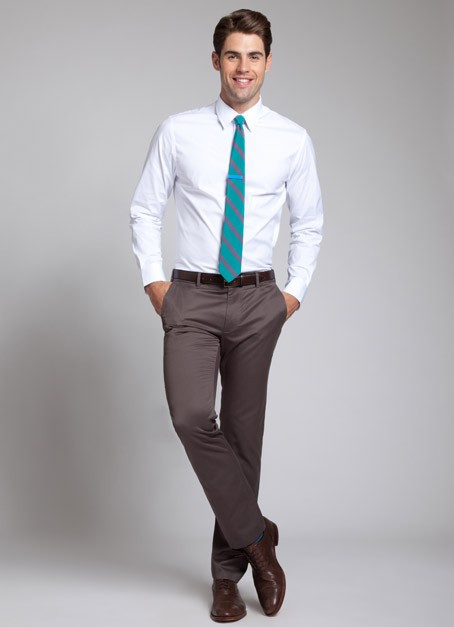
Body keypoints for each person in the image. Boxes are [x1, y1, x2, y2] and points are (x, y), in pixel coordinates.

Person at [129, 8, 323, 622]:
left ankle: (226, 577)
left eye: (254, 56)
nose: (243, 67)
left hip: (259, 299)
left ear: (268, 62)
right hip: (191, 296)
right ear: (216, 60)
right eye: (233, 55)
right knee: (191, 417)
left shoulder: (292, 139)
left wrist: (292, 295)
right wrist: (156, 284)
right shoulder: (178, 131)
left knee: (243, 436)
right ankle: (258, 536)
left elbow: (310, 223)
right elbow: (145, 209)